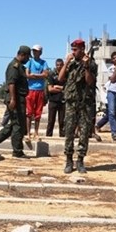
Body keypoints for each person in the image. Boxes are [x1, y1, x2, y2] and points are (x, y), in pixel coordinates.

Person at [60, 38, 97, 174]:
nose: (73, 52)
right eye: (72, 49)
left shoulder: (91, 63)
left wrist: (86, 66)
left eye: (75, 50)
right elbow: (60, 78)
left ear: (82, 49)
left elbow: (90, 82)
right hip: (71, 102)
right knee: (69, 131)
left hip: (85, 103)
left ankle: (80, 160)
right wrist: (66, 62)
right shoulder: (70, 64)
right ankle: (69, 160)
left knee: (84, 133)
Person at [0, 46, 31, 158]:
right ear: (22, 55)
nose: (28, 59)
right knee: (18, 125)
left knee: (15, 123)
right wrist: (13, 99)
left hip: (19, 98)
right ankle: (17, 151)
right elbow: (11, 83)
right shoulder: (14, 66)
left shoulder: (19, 66)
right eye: (27, 57)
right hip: (16, 98)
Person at [25, 44, 49, 139]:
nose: (34, 52)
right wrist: (39, 75)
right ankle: (28, 133)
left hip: (40, 90)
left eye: (36, 51)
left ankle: (36, 132)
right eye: (33, 51)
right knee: (29, 112)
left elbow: (45, 74)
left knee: (38, 112)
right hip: (31, 89)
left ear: (40, 52)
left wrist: (34, 75)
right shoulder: (30, 62)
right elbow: (27, 74)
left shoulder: (44, 62)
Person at [45, 58, 66, 137]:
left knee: (62, 121)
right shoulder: (51, 74)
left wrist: (57, 87)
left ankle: (62, 137)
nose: (59, 66)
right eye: (57, 65)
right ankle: (48, 136)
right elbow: (50, 89)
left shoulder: (66, 74)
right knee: (51, 121)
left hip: (63, 101)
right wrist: (62, 89)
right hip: (53, 100)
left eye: (60, 65)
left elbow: (68, 88)